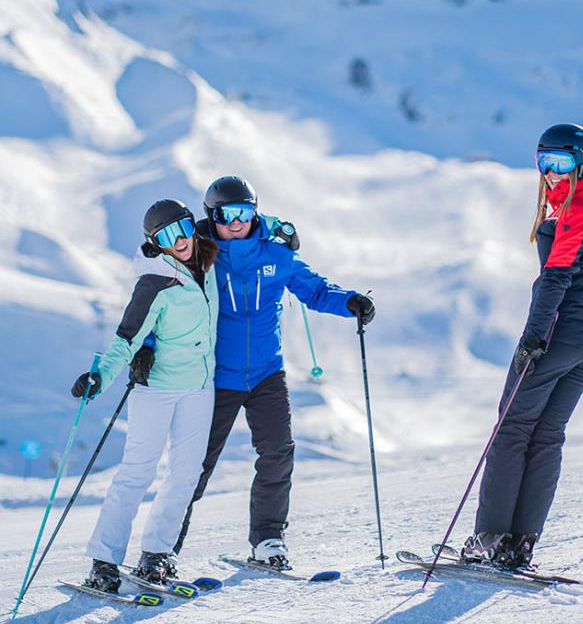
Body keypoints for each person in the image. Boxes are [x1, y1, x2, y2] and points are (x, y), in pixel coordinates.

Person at [173, 175, 375, 570]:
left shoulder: (276, 255)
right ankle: (165, 545)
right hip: (215, 378)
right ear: (212, 216)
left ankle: (268, 538)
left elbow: (315, 290)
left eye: (245, 212)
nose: (237, 222)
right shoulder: (198, 257)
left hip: (267, 372)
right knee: (195, 463)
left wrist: (349, 301)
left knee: (278, 454)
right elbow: (163, 295)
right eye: (228, 214)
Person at [462, 123, 583, 569]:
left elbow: (557, 279)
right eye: (543, 162)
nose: (550, 172)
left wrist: (533, 338)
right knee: (546, 436)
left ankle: (489, 539)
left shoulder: (572, 212)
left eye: (561, 163)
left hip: (557, 339)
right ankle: (520, 543)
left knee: (512, 431)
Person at [70, 199, 219, 590]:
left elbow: (238, 217)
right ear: (155, 243)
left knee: (186, 474)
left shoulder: (207, 261)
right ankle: (103, 561)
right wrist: (99, 376)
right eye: (168, 236)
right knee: (137, 473)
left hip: (200, 388)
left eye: (184, 228)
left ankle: (156, 555)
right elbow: (125, 339)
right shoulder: (155, 282)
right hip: (157, 390)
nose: (181, 240)